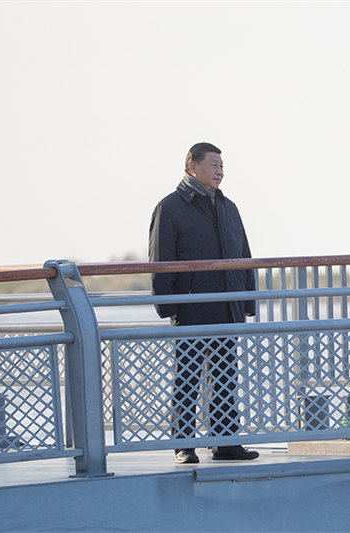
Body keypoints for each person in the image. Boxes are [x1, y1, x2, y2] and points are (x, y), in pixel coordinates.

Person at [148, 142, 259, 464]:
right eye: (214, 165)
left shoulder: (228, 207)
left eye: (222, 166)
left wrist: (247, 299)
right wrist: (167, 307)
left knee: (225, 377)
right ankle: (184, 445)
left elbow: (244, 255)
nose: (220, 171)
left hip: (228, 304)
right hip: (191, 307)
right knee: (188, 378)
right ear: (192, 166)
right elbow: (160, 259)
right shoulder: (170, 207)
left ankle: (226, 443)